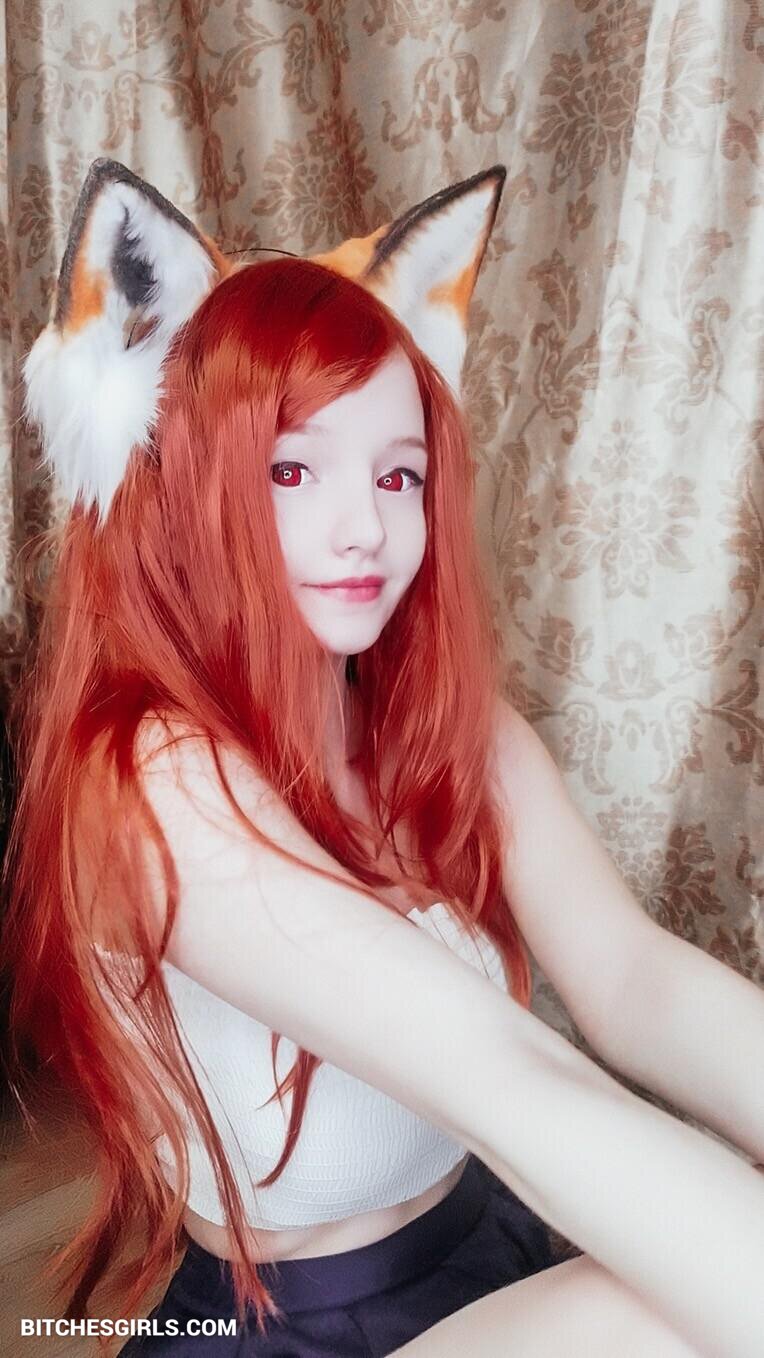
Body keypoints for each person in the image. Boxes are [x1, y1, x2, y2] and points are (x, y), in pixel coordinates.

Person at [2, 157, 763, 1358]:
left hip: (489, 1245)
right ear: (172, 481)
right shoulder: (151, 780)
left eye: (397, 472)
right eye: (290, 468)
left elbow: (630, 976)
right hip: (302, 1328)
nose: (364, 524)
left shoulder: (438, 722)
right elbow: (502, 1077)